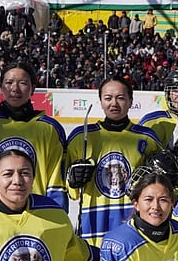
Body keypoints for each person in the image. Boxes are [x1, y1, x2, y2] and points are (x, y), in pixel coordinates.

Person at [66, 76, 163, 245]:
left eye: (121, 98)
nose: (114, 104)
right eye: (108, 98)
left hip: (134, 224)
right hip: (93, 224)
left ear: (131, 101)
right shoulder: (81, 137)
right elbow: (71, 191)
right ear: (101, 101)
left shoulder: (146, 138)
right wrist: (73, 180)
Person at [0, 62, 68, 208]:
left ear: (33, 88)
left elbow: (56, 183)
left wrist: (55, 214)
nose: (15, 89)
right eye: (9, 82)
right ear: (1, 87)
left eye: (22, 83)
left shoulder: (50, 129)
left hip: (35, 212)